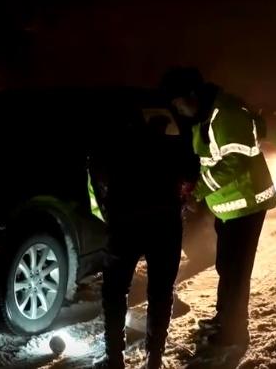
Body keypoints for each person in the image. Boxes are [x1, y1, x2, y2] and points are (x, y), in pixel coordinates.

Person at [159, 67, 276, 348]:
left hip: (246, 204)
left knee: (237, 272)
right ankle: (224, 318)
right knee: (226, 266)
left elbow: (233, 163)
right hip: (229, 206)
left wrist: (197, 192)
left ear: (191, 94)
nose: (177, 110)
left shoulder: (226, 113)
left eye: (177, 103)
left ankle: (236, 331)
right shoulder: (207, 115)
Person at [90, 108, 198, 369]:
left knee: (115, 292)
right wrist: (181, 199)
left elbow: (97, 180)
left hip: (124, 224)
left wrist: (108, 214)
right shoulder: (173, 144)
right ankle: (155, 357)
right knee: (161, 291)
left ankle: (114, 356)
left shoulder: (110, 145)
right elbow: (191, 174)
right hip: (164, 223)